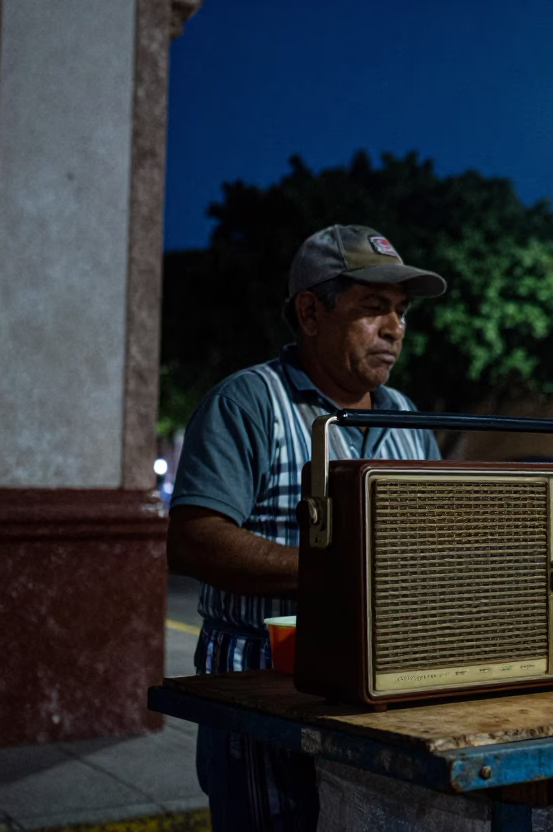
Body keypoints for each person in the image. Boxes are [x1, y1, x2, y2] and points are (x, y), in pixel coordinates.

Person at [166, 224, 447, 831]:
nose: (394, 329)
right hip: (261, 686)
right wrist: (341, 573)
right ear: (310, 312)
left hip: (380, 687)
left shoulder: (407, 418)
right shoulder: (249, 402)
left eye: (399, 312)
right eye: (373, 309)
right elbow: (194, 538)